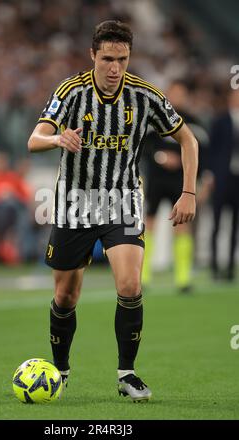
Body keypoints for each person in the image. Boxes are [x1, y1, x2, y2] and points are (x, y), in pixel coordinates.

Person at [28, 20, 198, 402]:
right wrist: (57, 137)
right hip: (74, 205)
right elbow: (34, 139)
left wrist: (189, 191)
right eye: (107, 58)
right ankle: (61, 371)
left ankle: (127, 374)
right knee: (66, 297)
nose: (114, 68)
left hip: (122, 202)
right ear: (93, 56)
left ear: (129, 58)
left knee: (130, 285)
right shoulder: (70, 92)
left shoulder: (146, 96)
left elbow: (187, 139)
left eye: (122, 59)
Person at [142, 79, 207, 292]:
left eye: (181, 93)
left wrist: (200, 180)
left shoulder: (194, 123)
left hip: (180, 181)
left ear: (186, 96)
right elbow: (144, 147)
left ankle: (183, 279)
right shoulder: (155, 118)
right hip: (156, 180)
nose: (177, 97)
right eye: (174, 92)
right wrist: (161, 157)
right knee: (149, 224)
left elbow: (202, 153)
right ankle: (143, 277)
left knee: (182, 227)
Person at [209, 88, 239, 281]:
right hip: (222, 179)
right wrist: (211, 175)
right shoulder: (220, 121)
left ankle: (229, 267)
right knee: (217, 224)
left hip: (238, 181)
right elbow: (212, 150)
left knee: (235, 225)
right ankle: (214, 265)